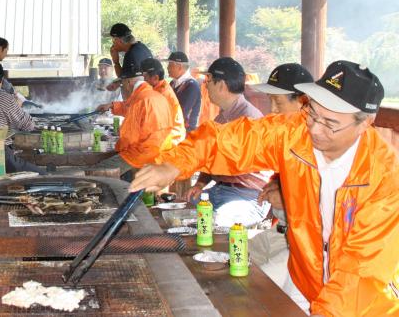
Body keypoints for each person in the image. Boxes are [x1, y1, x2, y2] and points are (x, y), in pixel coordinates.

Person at [130, 60, 399, 316]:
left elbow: (362, 269)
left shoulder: (385, 178)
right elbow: (229, 140)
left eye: (330, 124)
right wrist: (174, 164)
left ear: (365, 123)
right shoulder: (294, 133)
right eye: (312, 113)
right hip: (308, 277)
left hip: (365, 304)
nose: (315, 129)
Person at [245, 62, 314, 310]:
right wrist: (276, 188)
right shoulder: (288, 135)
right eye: (270, 101)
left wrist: (287, 200)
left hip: (309, 249)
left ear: (303, 101)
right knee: (233, 257)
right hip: (282, 234)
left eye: (278, 103)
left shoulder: (319, 140)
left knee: (253, 289)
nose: (272, 111)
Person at [183, 57, 270, 226]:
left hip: (249, 196)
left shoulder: (249, 119)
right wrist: (200, 184)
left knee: (216, 220)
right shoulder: (222, 117)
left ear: (221, 85)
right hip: (222, 189)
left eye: (209, 80)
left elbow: (229, 162)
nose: (205, 85)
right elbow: (210, 156)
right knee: (182, 210)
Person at [94, 65, 173, 177]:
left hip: (143, 153)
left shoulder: (139, 100)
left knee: (99, 171)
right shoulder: (154, 96)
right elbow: (129, 107)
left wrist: (114, 146)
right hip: (162, 150)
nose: (122, 88)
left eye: (122, 84)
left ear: (128, 82)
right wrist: (112, 106)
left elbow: (128, 138)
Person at [139, 58, 185, 148]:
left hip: (170, 140)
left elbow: (155, 126)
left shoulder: (162, 94)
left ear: (155, 78)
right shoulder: (156, 88)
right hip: (163, 137)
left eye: (145, 77)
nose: (143, 81)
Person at [105, 23, 152, 100]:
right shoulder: (142, 48)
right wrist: (118, 82)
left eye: (113, 40)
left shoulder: (131, 55)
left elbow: (127, 81)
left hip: (138, 104)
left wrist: (116, 61)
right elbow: (127, 76)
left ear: (117, 40)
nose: (113, 44)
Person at [164, 51, 201, 131]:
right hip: (174, 128)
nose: (167, 68)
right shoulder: (173, 83)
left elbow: (182, 112)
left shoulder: (192, 85)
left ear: (180, 67)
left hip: (186, 132)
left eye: (170, 65)